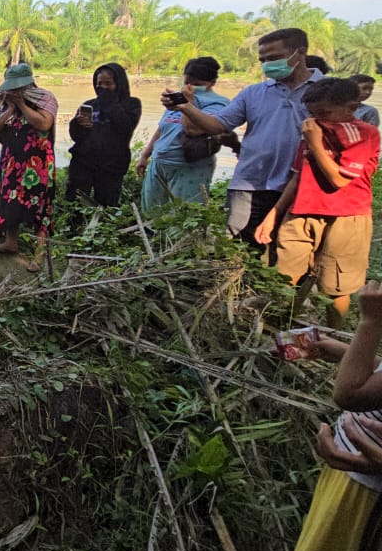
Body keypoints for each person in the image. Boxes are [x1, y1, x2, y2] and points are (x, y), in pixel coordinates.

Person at [163, 28, 324, 251]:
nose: (267, 64)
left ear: (301, 52)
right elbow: (218, 125)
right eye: (263, 60)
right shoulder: (254, 93)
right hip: (250, 183)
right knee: (239, 249)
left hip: (301, 185)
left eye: (274, 58)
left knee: (291, 252)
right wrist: (185, 107)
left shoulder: (328, 91)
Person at [254, 78, 379, 328]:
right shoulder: (314, 130)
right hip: (301, 211)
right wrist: (274, 214)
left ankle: (336, 336)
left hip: (346, 217)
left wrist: (314, 143)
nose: (318, 119)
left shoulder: (364, 134)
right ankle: (278, 327)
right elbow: (299, 175)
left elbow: (339, 180)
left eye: (325, 113)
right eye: (312, 113)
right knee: (285, 276)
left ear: (351, 108)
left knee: (334, 286)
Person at [291, 281, 382, 551]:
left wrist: (370, 323)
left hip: (364, 493)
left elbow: (349, 394)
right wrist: (351, 354)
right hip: (358, 472)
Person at [0, 63, 57, 270]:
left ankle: (39, 252)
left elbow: (44, 124)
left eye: (18, 88)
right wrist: (10, 108)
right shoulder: (7, 101)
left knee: (40, 203)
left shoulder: (45, 98)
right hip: (12, 161)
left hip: (39, 162)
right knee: (9, 199)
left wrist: (23, 106)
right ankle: (10, 242)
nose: (15, 91)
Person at [136, 57, 232, 209]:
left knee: (184, 215)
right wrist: (145, 156)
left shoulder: (218, 103)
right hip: (160, 162)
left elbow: (192, 130)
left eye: (197, 84)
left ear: (212, 82)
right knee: (152, 213)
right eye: (187, 81)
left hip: (189, 167)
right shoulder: (179, 97)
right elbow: (162, 128)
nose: (190, 86)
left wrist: (187, 104)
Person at [66, 62, 141, 207]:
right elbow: (76, 136)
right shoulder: (89, 105)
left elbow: (125, 126)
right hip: (83, 163)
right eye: (99, 83)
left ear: (118, 84)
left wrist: (108, 102)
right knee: (75, 204)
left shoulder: (131, 104)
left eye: (108, 83)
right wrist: (77, 124)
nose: (103, 88)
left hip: (112, 166)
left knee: (106, 206)